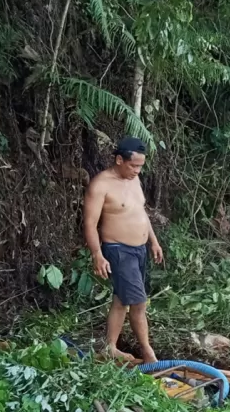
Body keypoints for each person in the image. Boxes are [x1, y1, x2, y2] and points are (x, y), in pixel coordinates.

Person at [83, 136, 164, 364]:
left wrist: (153, 241)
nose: (137, 171)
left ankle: (110, 346)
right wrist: (97, 254)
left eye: (140, 166)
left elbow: (141, 212)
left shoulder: (134, 180)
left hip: (140, 250)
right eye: (133, 165)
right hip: (119, 250)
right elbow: (90, 223)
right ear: (119, 160)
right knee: (138, 303)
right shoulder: (101, 185)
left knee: (122, 299)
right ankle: (148, 353)